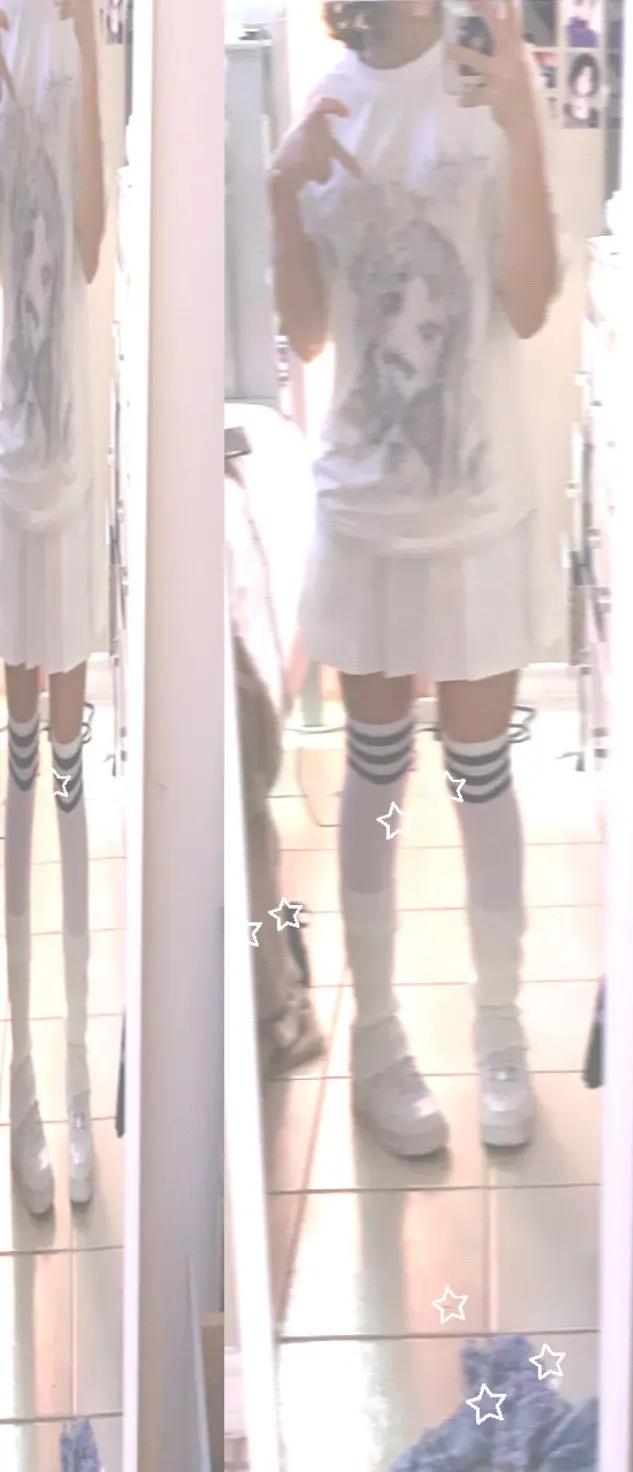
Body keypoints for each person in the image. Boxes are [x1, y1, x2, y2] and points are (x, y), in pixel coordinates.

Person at [269, 0, 562, 1159]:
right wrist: (280, 195)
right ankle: (379, 1039)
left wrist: (524, 121)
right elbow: (305, 336)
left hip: (479, 506)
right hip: (365, 511)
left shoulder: (491, 82)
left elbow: (528, 305)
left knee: (482, 773)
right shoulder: (328, 105)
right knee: (378, 774)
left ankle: (499, 1033)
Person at [0, 0, 106, 1215]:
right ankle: (22, 1086)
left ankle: (77, 1085)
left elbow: (85, 245)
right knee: (15, 767)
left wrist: (78, 35)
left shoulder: (78, 27)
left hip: (67, 449)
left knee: (69, 766)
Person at [563, 52, 600, 128]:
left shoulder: (597, 118)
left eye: (589, 79)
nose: (584, 82)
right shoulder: (563, 113)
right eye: (582, 76)